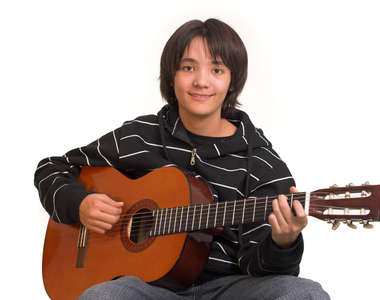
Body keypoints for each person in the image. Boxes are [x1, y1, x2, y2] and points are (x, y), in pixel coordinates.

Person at [35, 18, 330, 300]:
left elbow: (265, 271)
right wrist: (80, 204)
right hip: (147, 289)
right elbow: (52, 168)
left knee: (306, 294)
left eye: (217, 70)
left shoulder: (263, 164)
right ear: (171, 76)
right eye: (189, 67)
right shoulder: (138, 137)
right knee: (103, 296)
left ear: (232, 81)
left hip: (229, 289)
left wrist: (284, 242)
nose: (201, 81)